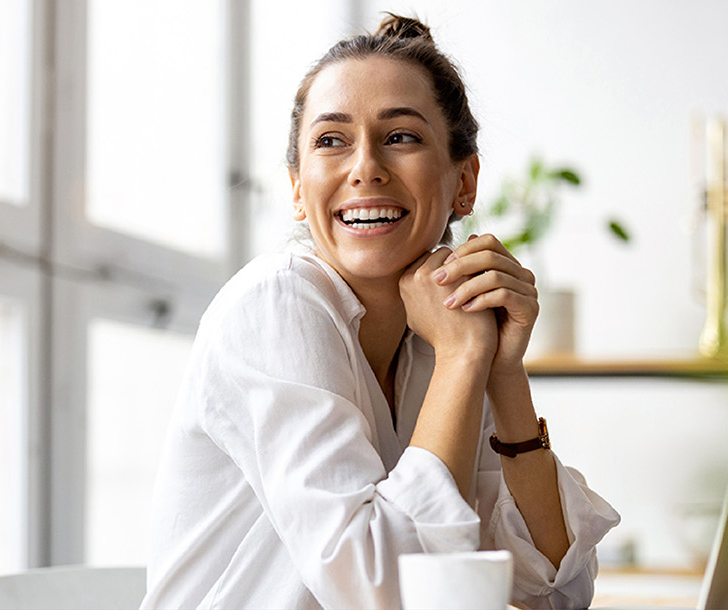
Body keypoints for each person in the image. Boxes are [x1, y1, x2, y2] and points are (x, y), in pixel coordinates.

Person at [139, 14, 620, 610]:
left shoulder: (440, 336)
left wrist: (500, 370)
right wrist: (464, 357)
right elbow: (386, 592)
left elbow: (557, 591)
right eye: (331, 140)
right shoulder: (277, 303)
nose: (364, 166)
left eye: (401, 137)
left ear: (464, 181)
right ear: (296, 186)